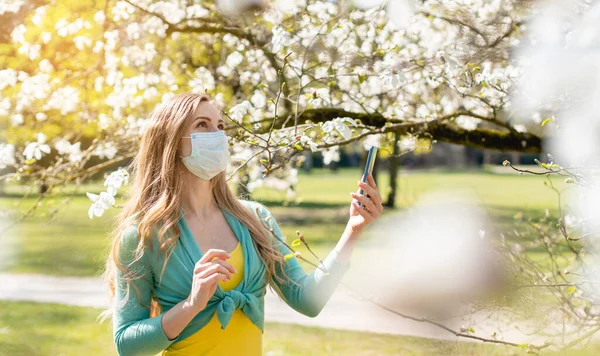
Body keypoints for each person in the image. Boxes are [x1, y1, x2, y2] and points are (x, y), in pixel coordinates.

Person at [100, 93, 384, 356]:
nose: (218, 136)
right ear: (171, 141)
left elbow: (308, 300)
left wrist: (353, 230)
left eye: (221, 126)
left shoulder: (255, 220)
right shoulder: (142, 236)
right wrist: (191, 304)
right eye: (202, 124)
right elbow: (127, 344)